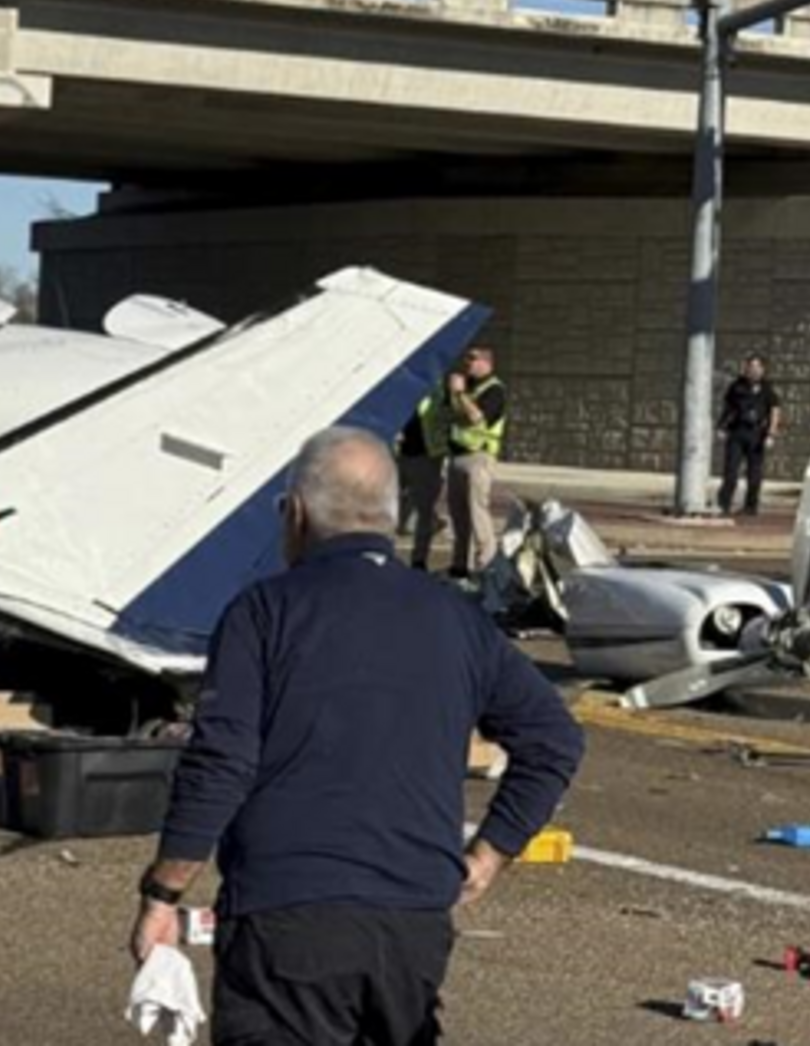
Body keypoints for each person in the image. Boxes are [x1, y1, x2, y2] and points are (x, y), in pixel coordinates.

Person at [129, 427, 583, 1045]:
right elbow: (553, 739)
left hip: (287, 916)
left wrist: (164, 889)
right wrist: (489, 852)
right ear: (390, 518)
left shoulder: (263, 612)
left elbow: (222, 762)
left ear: (294, 515)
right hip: (413, 921)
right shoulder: (455, 616)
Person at [443, 347, 507, 579]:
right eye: (465, 358)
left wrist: (460, 394)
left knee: (477, 512)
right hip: (457, 456)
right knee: (458, 516)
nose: (466, 362)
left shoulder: (495, 390)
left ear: (486, 362)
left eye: (472, 358)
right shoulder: (471, 387)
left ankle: (487, 564)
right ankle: (460, 566)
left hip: (478, 458)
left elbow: (476, 418)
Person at [718, 354, 783, 517]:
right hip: (738, 431)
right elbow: (728, 408)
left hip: (757, 434)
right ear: (746, 368)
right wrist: (721, 427)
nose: (753, 371)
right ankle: (723, 504)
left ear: (762, 369)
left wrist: (771, 434)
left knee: (754, 474)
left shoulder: (768, 389)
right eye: (750, 367)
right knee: (731, 471)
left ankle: (750, 506)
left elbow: (774, 410)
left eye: (757, 367)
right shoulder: (736, 386)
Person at [395, 394, 448, 571]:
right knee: (405, 504)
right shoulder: (422, 397)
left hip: (424, 457)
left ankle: (418, 560)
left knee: (422, 508)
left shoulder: (435, 397)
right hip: (409, 456)